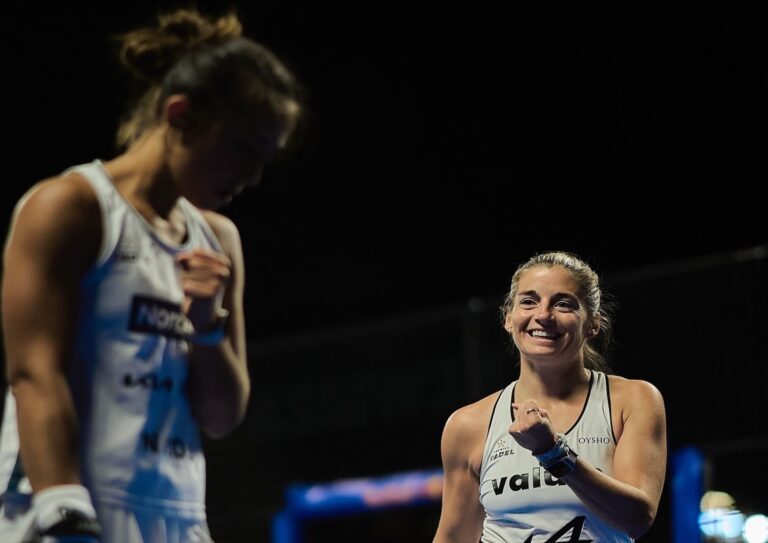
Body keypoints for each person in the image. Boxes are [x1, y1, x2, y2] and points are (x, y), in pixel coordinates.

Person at [0, 7, 301, 542]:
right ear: (181, 115)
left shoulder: (218, 241)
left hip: (177, 510)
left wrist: (208, 326)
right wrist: (62, 506)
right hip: (68, 500)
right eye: (243, 149)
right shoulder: (70, 207)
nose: (254, 177)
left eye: (267, 158)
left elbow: (222, 415)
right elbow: (32, 373)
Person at [433, 252, 667, 542]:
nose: (543, 315)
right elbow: (454, 537)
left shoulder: (632, 400)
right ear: (508, 318)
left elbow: (637, 519)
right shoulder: (467, 424)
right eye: (529, 301)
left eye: (563, 303)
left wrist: (554, 453)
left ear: (593, 324)